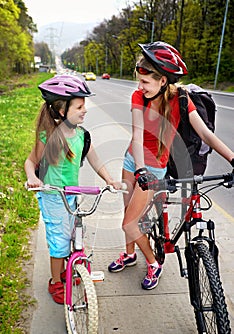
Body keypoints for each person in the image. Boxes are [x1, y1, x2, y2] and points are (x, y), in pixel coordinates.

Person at [108, 41, 234, 290]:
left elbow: (206, 135)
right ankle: (130, 254)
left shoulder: (182, 100)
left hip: (155, 167)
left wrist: (232, 157)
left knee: (129, 224)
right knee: (128, 212)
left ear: (163, 81)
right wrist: (139, 169)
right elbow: (136, 136)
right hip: (134, 160)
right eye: (139, 81)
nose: (139, 87)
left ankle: (154, 263)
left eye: (145, 82)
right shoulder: (139, 97)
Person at [25, 75, 121, 304]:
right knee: (59, 242)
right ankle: (56, 282)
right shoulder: (48, 137)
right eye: (79, 106)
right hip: (52, 196)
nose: (85, 110)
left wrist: (110, 180)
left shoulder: (82, 136)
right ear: (61, 111)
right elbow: (31, 162)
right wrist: (32, 178)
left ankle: (71, 269)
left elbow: (96, 161)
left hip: (73, 196)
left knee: (74, 234)